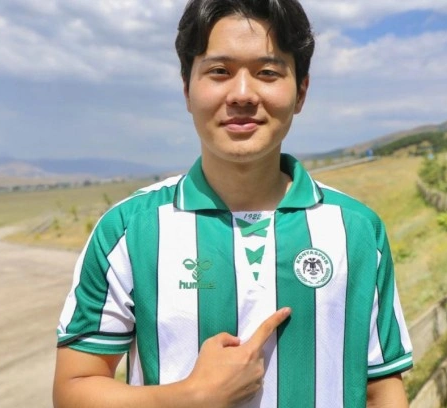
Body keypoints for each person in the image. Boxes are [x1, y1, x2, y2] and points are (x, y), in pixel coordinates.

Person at [53, 0, 413, 406]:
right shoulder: (128, 229)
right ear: (187, 89)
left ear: (301, 92)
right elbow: (73, 389)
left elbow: (383, 388)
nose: (242, 94)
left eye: (268, 72)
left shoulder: (357, 229)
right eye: (220, 71)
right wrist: (191, 396)